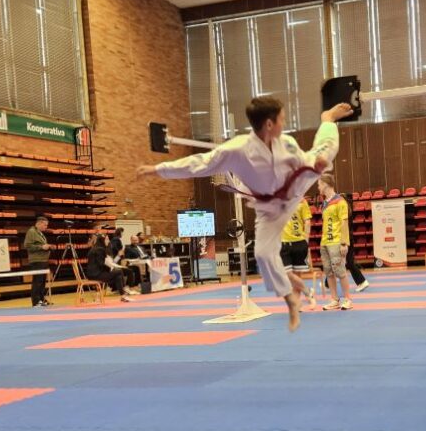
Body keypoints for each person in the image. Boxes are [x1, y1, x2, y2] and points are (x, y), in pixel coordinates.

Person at [137, 98, 352, 331]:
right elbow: (198, 163)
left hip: (293, 189)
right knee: (262, 254)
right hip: (268, 207)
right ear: (269, 124)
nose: (284, 123)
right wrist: (158, 170)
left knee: (325, 152)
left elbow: (305, 161)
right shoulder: (236, 150)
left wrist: (314, 164)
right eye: (281, 119)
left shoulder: (287, 143)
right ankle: (290, 293)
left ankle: (327, 119)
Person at [318, 175, 352, 310]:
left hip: (336, 241)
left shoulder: (340, 202)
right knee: (328, 272)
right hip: (324, 242)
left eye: (319, 184)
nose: (318, 187)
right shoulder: (324, 203)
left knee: (340, 271)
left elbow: (344, 223)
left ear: (326, 184)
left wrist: (344, 243)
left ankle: (348, 299)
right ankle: (334, 299)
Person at [281, 198, 315, 306]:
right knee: (288, 274)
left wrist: (306, 240)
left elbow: (307, 221)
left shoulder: (301, 201)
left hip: (299, 242)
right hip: (284, 243)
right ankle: (307, 291)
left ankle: (297, 303)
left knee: (297, 276)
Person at [23, 216, 52, 307]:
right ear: (39, 223)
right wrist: (41, 247)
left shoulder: (39, 233)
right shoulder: (31, 232)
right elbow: (27, 246)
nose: (46, 227)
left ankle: (41, 299)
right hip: (37, 260)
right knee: (37, 281)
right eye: (45, 225)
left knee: (42, 281)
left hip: (43, 260)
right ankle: (36, 301)